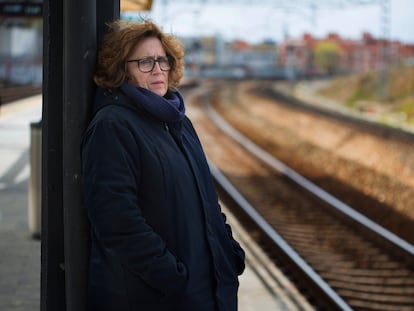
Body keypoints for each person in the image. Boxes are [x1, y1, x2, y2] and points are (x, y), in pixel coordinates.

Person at [81, 19, 245, 311]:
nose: (158, 69)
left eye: (162, 60)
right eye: (145, 62)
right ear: (122, 70)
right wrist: (171, 276)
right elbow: (116, 220)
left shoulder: (179, 122)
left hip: (211, 290)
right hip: (161, 297)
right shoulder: (113, 126)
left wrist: (228, 253)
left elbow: (207, 200)